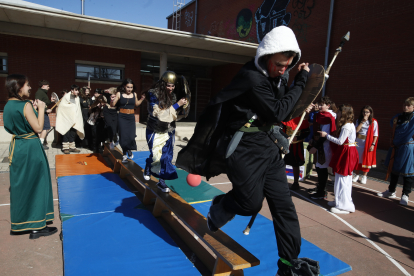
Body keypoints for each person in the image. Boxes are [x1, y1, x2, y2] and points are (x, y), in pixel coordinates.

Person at [176, 26, 319, 275]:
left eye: (288, 65)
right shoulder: (252, 78)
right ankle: (222, 206)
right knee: (250, 203)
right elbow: (278, 112)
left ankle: (289, 264)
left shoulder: (276, 76)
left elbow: (284, 104)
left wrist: (291, 81)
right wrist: (301, 80)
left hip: (268, 146)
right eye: (279, 64)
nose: (283, 69)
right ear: (266, 55)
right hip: (243, 148)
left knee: (284, 206)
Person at [4, 74, 57, 239]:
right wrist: (40, 109)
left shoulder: (8, 105)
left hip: (18, 146)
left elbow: (17, 124)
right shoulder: (24, 104)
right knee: (37, 183)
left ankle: (23, 222)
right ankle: (36, 227)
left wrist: (33, 110)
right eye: (27, 85)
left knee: (23, 185)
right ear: (19, 87)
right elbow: (39, 128)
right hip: (31, 147)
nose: (29, 88)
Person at [142, 71, 188, 193]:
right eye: (168, 85)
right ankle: (148, 165)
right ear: (162, 84)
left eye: (173, 86)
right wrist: (177, 104)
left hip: (169, 130)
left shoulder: (173, 96)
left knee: (166, 158)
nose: (171, 88)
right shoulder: (153, 95)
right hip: (155, 130)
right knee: (156, 156)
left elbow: (172, 115)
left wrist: (183, 109)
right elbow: (161, 115)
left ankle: (161, 182)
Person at [319, 104, 358, 214]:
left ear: (344, 113)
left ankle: (344, 206)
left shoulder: (346, 126)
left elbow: (340, 141)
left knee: (343, 179)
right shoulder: (348, 124)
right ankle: (339, 201)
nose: (338, 114)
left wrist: (326, 135)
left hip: (346, 153)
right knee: (340, 178)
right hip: (346, 152)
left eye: (340, 112)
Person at [378, 97, 414, 206]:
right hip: (395, 146)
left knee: (407, 172)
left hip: (407, 147)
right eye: (404, 105)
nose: (405, 107)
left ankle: (405, 195)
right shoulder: (397, 117)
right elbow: (392, 125)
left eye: (408, 105)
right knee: (393, 169)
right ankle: (391, 191)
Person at [307, 97, 337, 199]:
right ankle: (319, 187)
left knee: (322, 168)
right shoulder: (320, 115)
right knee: (319, 167)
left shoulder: (330, 117)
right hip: (319, 144)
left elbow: (325, 135)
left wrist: (315, 147)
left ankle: (322, 192)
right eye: (319, 104)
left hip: (325, 146)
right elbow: (317, 130)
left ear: (328, 105)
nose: (319, 107)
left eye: (321, 105)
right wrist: (312, 138)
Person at [110, 79, 145, 163]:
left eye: (131, 87)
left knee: (131, 136)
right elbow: (112, 105)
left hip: (131, 117)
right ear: (124, 87)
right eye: (128, 87)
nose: (129, 89)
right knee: (123, 136)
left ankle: (129, 149)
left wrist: (142, 99)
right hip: (122, 117)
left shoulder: (134, 94)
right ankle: (125, 154)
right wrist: (111, 99)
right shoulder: (119, 94)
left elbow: (136, 104)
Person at [283, 116, 310, 190]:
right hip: (286, 144)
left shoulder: (302, 119)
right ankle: (282, 182)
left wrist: (298, 138)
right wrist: (286, 137)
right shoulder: (286, 118)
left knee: (295, 164)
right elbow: (281, 130)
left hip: (297, 145)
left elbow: (307, 132)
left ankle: (295, 183)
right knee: (282, 163)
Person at [353, 106, 378, 184]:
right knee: (358, 159)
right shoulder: (359, 120)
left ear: (370, 113)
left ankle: (364, 176)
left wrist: (373, 144)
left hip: (368, 142)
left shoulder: (374, 122)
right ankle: (356, 175)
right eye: (364, 111)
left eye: (367, 112)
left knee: (366, 159)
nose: (365, 113)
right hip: (359, 141)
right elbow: (356, 130)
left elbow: (375, 134)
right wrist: (362, 121)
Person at [56, 84, 84, 154]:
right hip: (66, 118)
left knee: (73, 133)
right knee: (66, 132)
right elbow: (63, 106)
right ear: (72, 90)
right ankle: (65, 148)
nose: (77, 92)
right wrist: (71, 108)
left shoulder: (77, 97)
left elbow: (77, 107)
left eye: (78, 90)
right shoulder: (67, 96)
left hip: (74, 118)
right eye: (76, 90)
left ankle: (72, 147)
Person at [35, 80, 55, 150]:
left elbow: (45, 103)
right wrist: (46, 110)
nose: (48, 87)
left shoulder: (42, 93)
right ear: (43, 86)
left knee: (43, 128)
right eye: (47, 86)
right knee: (45, 128)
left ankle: (40, 144)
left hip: (43, 113)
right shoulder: (40, 93)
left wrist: (51, 101)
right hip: (42, 113)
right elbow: (37, 104)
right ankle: (40, 144)